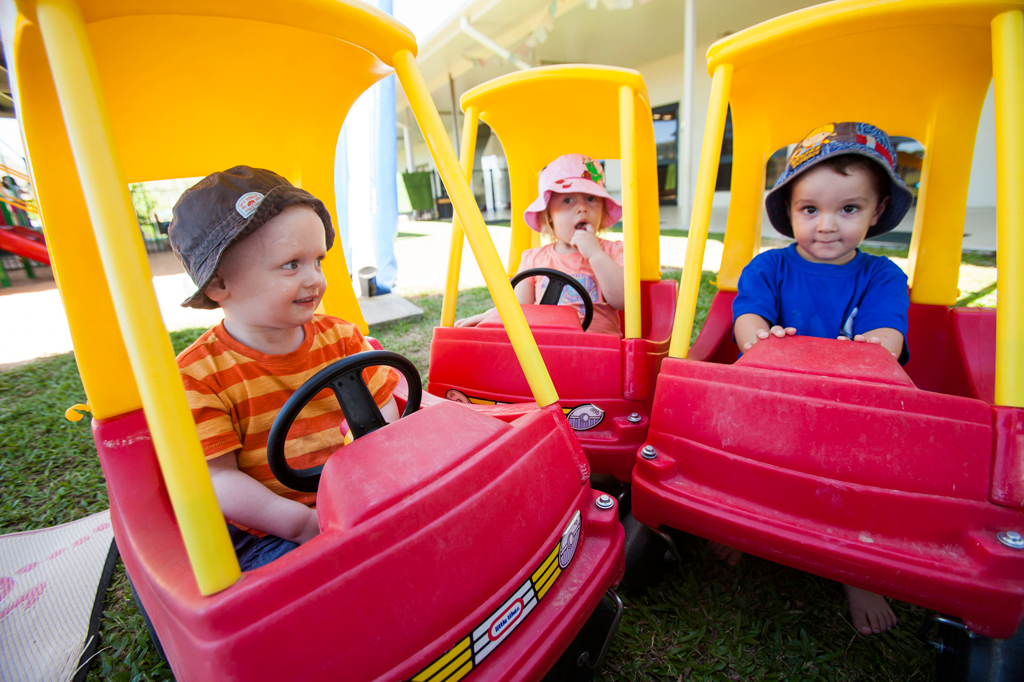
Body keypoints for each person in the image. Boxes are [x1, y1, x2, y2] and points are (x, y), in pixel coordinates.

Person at [726, 122, 915, 636]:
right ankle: (745, 522)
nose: (827, 225)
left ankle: (857, 569)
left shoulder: (882, 276)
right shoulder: (768, 268)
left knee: (866, 474)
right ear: (789, 212)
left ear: (876, 212)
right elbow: (748, 322)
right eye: (810, 210)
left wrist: (859, 353)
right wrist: (761, 338)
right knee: (744, 450)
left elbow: (885, 343)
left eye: (848, 209)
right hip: (777, 399)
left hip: (850, 410)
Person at [169, 166, 399, 571]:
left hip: (363, 493)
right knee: (317, 583)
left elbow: (386, 416)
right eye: (292, 264)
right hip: (272, 530)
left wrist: (379, 480)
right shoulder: (199, 376)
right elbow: (218, 479)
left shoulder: (342, 339)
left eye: (318, 261)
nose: (315, 278)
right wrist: (303, 524)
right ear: (219, 284)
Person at [455, 154, 626, 336]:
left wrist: (595, 254)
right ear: (549, 215)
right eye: (568, 200)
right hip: (544, 351)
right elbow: (518, 309)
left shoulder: (613, 251)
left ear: (603, 209)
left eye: (591, 199)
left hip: (601, 352)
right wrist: (490, 314)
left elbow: (623, 301)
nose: (582, 208)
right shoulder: (534, 259)